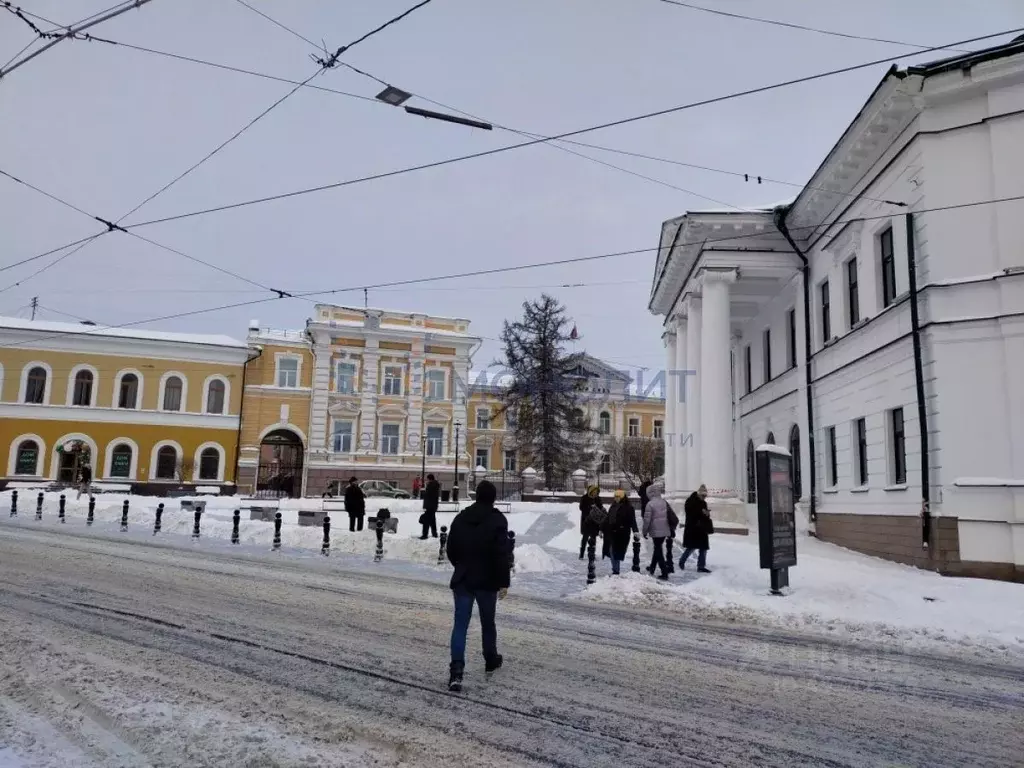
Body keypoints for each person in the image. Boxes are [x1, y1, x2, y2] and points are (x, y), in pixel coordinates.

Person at [445, 480, 510, 692]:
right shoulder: (497, 521)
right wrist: (503, 582)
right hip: (488, 581)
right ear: (493, 498)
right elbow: (501, 555)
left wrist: (462, 566)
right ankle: (490, 658)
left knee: (460, 626)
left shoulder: (461, 518)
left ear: (476, 496)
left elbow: (451, 549)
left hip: (463, 579)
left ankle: (456, 671)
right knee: (487, 623)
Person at [680, 483, 714, 573]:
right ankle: (682, 561)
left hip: (702, 529)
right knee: (691, 547)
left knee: (703, 548)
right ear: (699, 494)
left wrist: (706, 514)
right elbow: (690, 513)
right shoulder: (690, 501)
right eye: (703, 495)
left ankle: (701, 566)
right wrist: (701, 512)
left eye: (705, 496)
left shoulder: (704, 503)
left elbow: (704, 516)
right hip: (693, 528)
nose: (704, 497)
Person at [603, 489, 638, 575]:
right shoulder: (613, 506)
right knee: (611, 551)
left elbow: (632, 520)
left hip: (622, 534)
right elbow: (607, 519)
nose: (616, 498)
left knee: (616, 552)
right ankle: (615, 570)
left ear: (622, 497)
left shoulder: (629, 507)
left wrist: (635, 531)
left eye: (618, 497)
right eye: (615, 496)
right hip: (611, 532)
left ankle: (616, 570)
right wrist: (601, 529)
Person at [642, 483, 672, 580]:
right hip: (664, 530)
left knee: (658, 551)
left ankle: (664, 572)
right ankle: (652, 567)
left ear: (650, 493)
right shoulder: (664, 502)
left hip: (655, 531)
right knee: (657, 548)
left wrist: (644, 531)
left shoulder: (650, 504)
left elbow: (647, 520)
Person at [578, 485, 603, 559]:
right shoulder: (584, 498)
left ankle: (592, 553)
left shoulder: (598, 499)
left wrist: (596, 508)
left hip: (594, 522)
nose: (595, 493)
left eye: (596, 492)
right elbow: (581, 508)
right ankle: (581, 554)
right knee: (585, 538)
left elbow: (601, 508)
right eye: (594, 492)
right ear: (591, 492)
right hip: (586, 521)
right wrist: (590, 508)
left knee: (593, 538)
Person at [420, 473, 440, 539]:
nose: (427, 480)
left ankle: (425, 535)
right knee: (432, 521)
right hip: (433, 506)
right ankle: (434, 534)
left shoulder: (431, 485)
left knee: (426, 521)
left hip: (429, 506)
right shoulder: (435, 485)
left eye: (427, 479)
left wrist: (425, 506)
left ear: (429, 479)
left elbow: (428, 496)